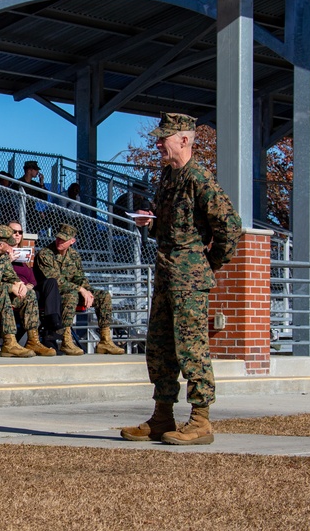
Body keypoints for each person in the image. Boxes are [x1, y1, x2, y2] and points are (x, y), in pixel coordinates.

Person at [120, 113, 241, 446]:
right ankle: (162, 417)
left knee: (191, 348)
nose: (158, 144)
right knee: (159, 348)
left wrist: (207, 264)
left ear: (185, 140)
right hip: (165, 274)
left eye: (165, 138)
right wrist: (151, 223)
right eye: (159, 138)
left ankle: (200, 421)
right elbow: (173, 225)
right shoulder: (168, 176)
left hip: (188, 279)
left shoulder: (198, 177)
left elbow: (230, 226)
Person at [34, 223, 123, 357]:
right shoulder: (45, 254)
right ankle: (66, 339)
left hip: (74, 290)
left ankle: (105, 340)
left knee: (104, 296)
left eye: (64, 240)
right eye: (58, 238)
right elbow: (55, 280)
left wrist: (87, 291)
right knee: (72, 295)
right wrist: (80, 289)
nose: (60, 242)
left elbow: (79, 277)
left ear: (72, 241)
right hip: (53, 296)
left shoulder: (74, 255)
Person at [0, 225, 54, 357]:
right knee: (3, 291)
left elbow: (10, 275)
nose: (13, 247)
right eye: (10, 245)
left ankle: (33, 339)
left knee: (29, 294)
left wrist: (19, 284)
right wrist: (9, 287)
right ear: (1, 245)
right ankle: (9, 342)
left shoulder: (3, 256)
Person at [8, 220, 62, 349]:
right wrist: (8, 260)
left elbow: (32, 280)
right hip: (15, 290)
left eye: (19, 232)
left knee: (51, 283)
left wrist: (29, 286)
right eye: (13, 232)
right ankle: (51, 332)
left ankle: (52, 321)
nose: (17, 234)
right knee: (35, 294)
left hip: (29, 289)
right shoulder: (2, 255)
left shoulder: (23, 256)